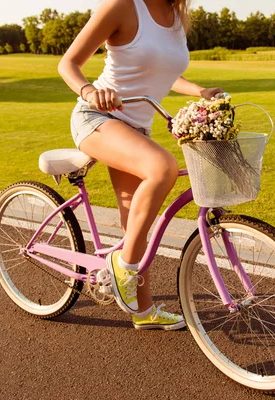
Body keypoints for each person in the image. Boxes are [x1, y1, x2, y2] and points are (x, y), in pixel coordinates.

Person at [58, 0, 222, 330]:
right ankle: (122, 265)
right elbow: (68, 64)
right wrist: (90, 91)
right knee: (162, 167)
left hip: (135, 128)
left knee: (136, 224)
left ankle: (143, 310)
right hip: (97, 118)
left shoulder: (175, 15)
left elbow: (166, 73)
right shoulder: (122, 6)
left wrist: (200, 91)